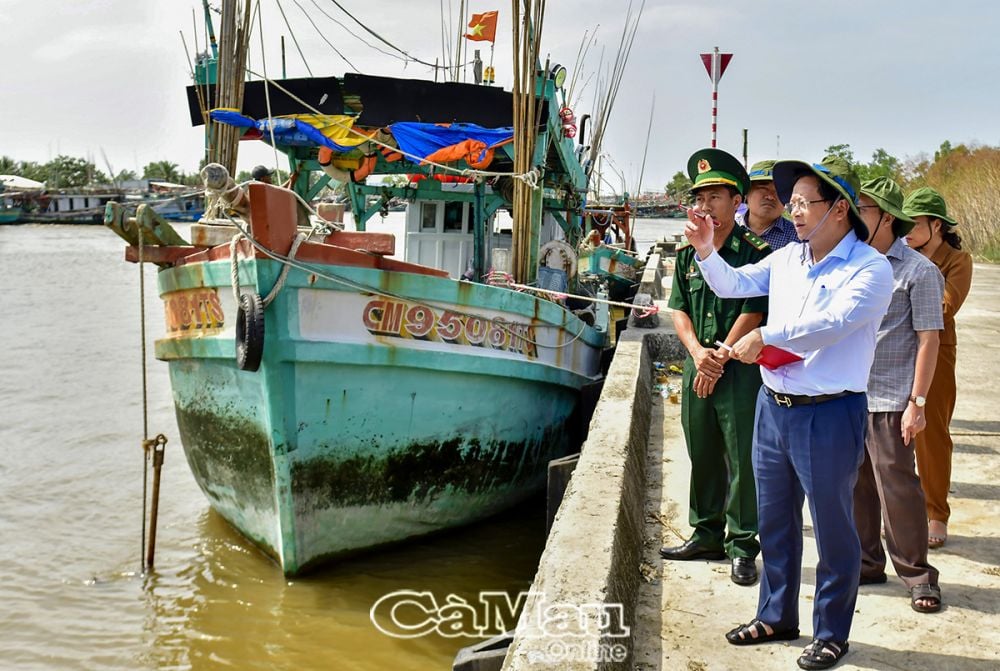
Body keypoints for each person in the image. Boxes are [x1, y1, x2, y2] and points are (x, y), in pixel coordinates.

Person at [685, 155, 892, 671]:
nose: (793, 212)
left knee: (831, 526)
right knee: (774, 521)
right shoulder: (787, 260)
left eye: (804, 203)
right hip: (772, 408)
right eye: (792, 203)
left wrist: (766, 336)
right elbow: (731, 284)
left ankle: (831, 631)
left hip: (829, 412)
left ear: (840, 208)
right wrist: (708, 252)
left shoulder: (870, 268)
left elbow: (832, 324)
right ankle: (776, 614)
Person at [659, 148, 771, 587]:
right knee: (701, 450)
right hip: (698, 365)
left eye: (714, 198)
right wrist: (695, 354)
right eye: (699, 199)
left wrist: (720, 355)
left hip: (738, 370)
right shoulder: (689, 253)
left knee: (743, 456)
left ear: (736, 200)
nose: (704, 207)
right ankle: (706, 533)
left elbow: (754, 309)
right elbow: (679, 310)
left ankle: (743, 545)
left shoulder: (753, 252)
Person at [853, 177, 944, 613]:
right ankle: (867, 563)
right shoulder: (851, 263)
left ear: (887, 217)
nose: (854, 216)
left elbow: (929, 340)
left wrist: (917, 403)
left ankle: (918, 575)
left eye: (864, 209)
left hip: (891, 397)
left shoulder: (918, 271)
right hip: (850, 391)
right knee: (855, 485)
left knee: (898, 487)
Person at [902, 187, 974, 549]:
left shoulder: (957, 260)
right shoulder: (898, 255)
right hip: (898, 349)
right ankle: (901, 512)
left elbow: (945, 308)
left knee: (932, 434)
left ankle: (936, 513)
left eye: (915, 224)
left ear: (937, 225)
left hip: (938, 351)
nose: (907, 231)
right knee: (891, 433)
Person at [737, 160, 798, 250]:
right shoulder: (726, 229)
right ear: (747, 193)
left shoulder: (798, 238)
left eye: (778, 191)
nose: (770, 197)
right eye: (763, 188)